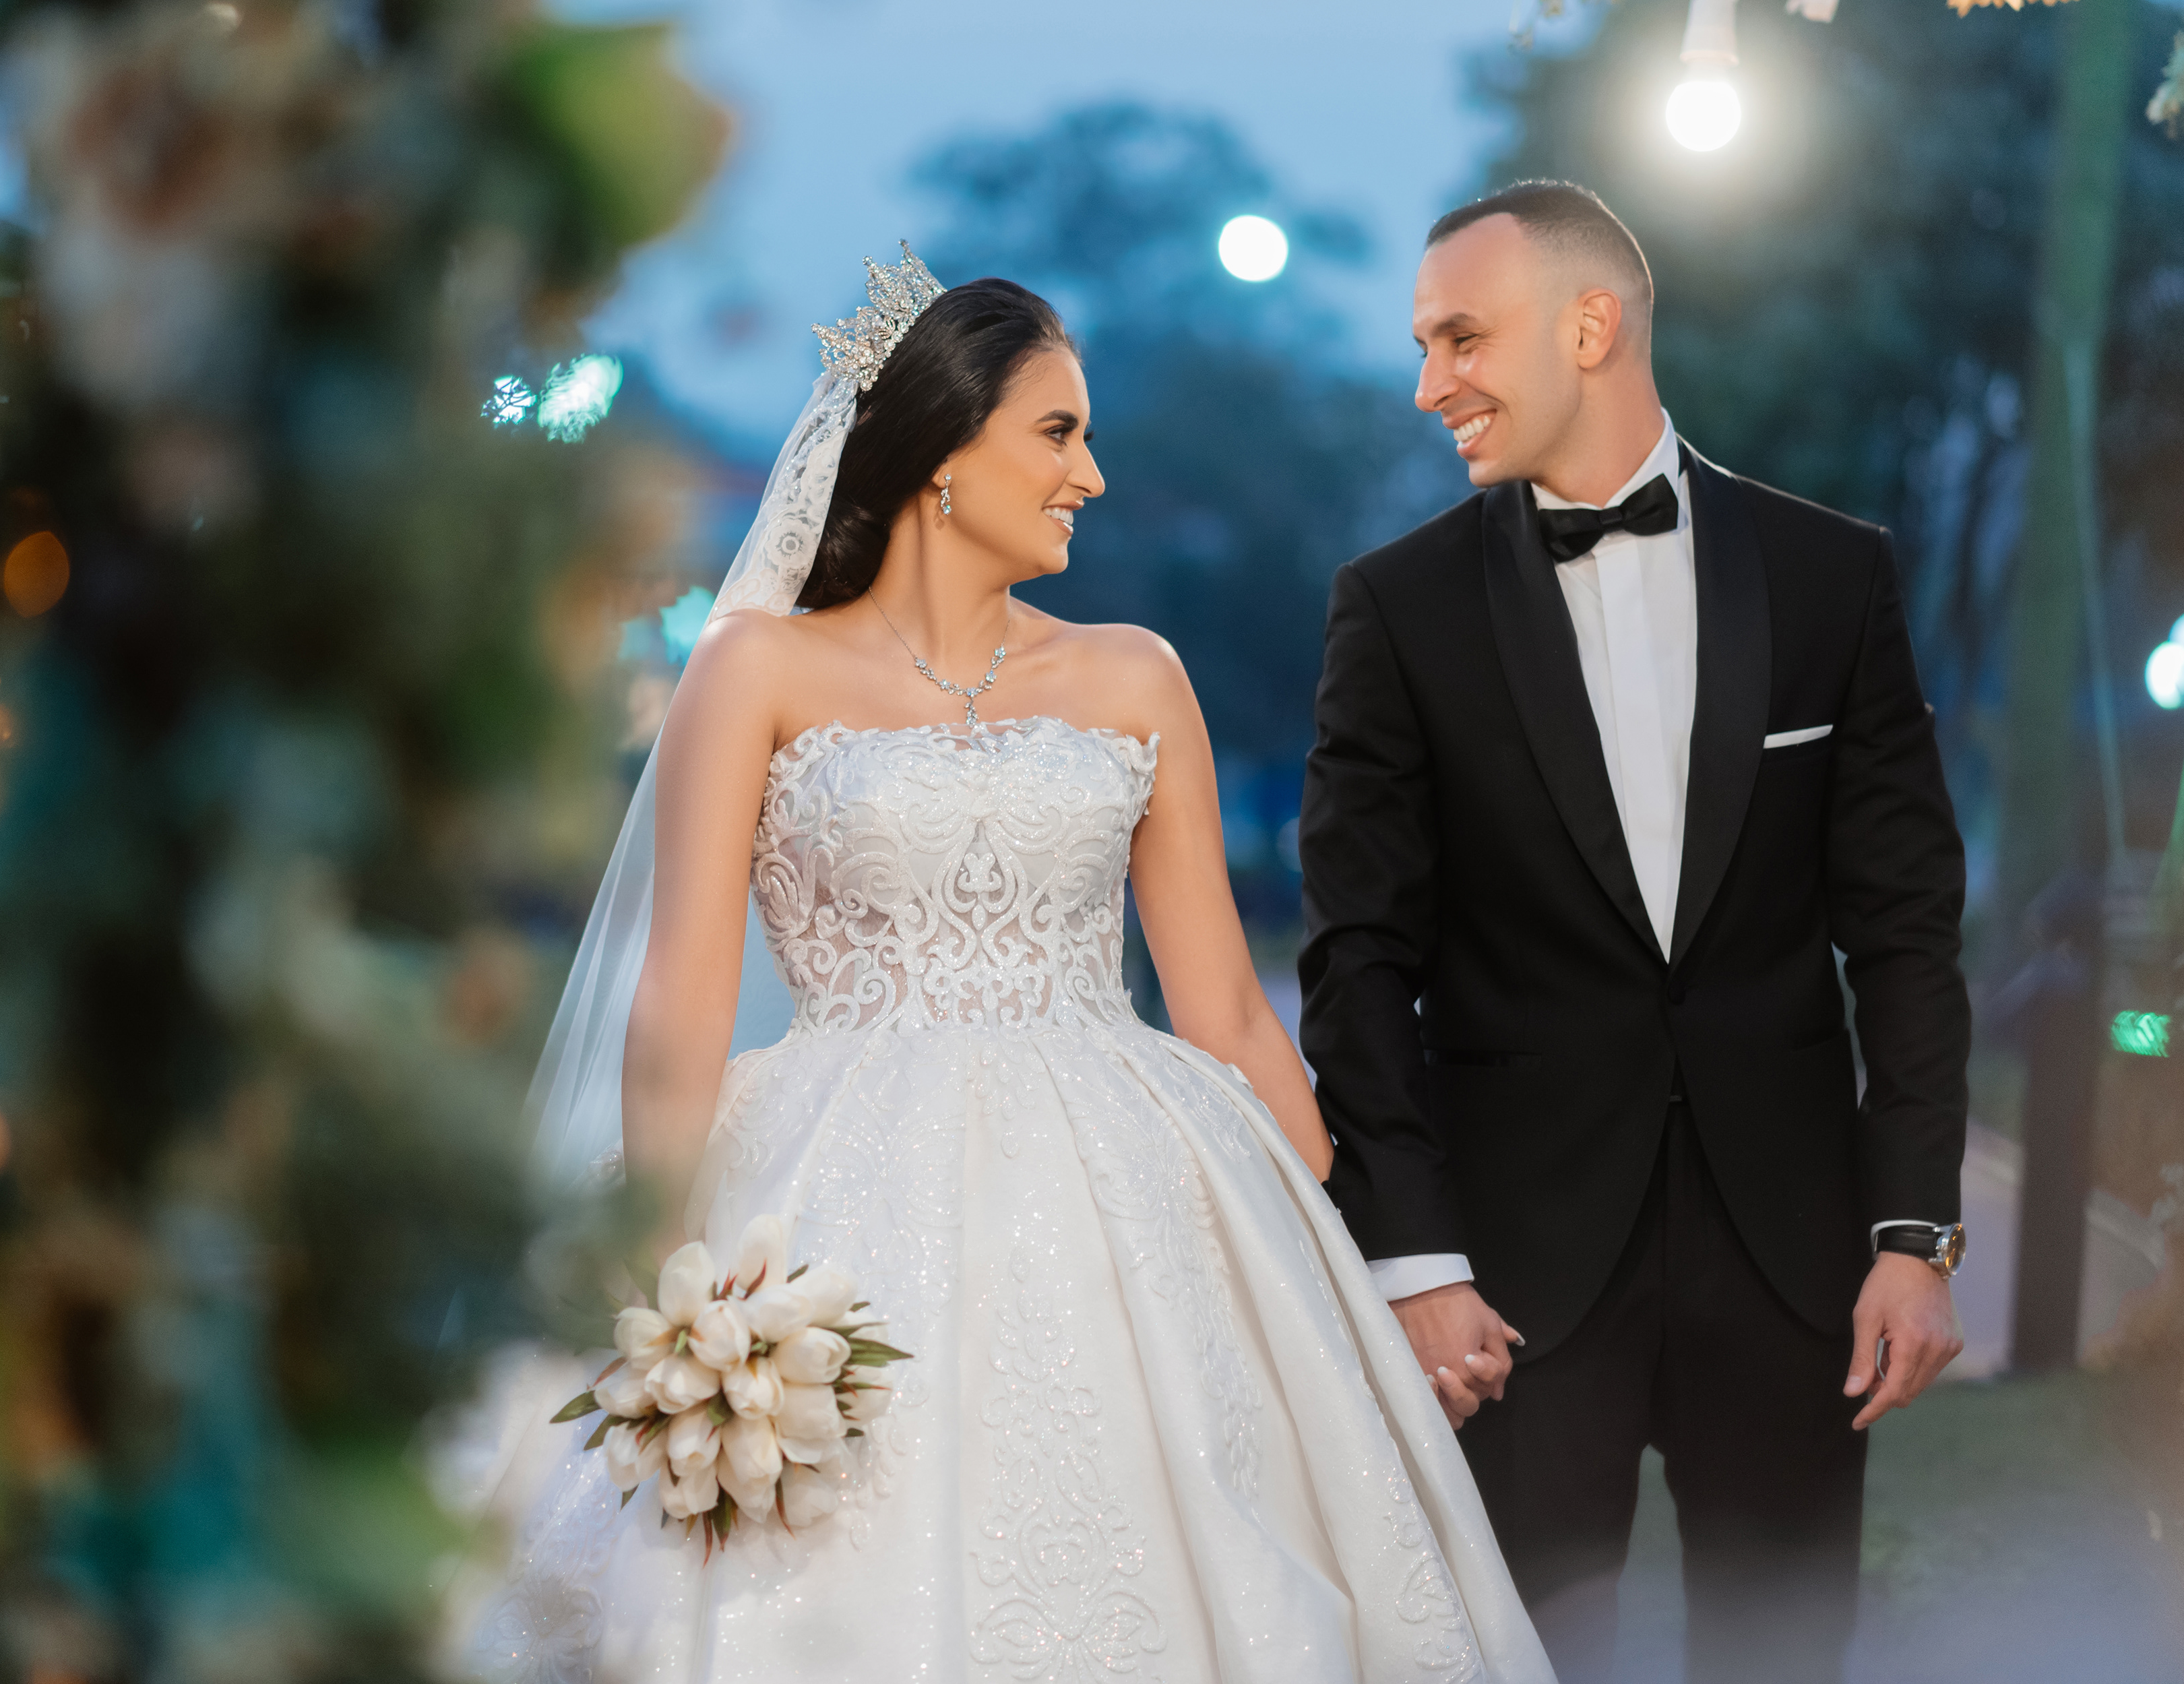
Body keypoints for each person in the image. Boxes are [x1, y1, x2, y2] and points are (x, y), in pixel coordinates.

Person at [470, 251, 1554, 1683]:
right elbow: (678, 999)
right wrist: (672, 1279)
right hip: (825, 1180)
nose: (1089, 476)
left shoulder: (1132, 674)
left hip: (1131, 1181)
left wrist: (1359, 1269)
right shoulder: (756, 672)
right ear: (938, 455)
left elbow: (1227, 1009)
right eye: (1058, 433)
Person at [1297, 180, 1971, 1684]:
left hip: (1799, 1266)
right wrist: (1414, 1259)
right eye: (1422, 346)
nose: (1431, 385)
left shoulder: (1830, 576)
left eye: (1462, 337)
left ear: (1589, 324)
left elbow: (1909, 932)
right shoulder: (1395, 611)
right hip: (1511, 1282)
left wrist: (1913, 1232)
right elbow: (1358, 962)